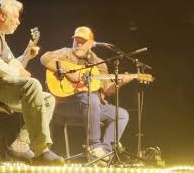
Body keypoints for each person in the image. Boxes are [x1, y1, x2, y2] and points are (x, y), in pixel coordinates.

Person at [0, 0, 64, 165]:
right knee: (33, 85)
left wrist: (26, 56)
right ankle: (41, 150)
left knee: (47, 99)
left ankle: (20, 145)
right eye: (16, 17)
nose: (18, 22)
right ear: (3, 16)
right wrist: (18, 71)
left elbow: (12, 66)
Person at [40, 26, 130, 161]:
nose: (79, 44)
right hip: (64, 104)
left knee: (122, 115)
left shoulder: (99, 63)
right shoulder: (65, 53)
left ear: (91, 44)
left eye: (83, 41)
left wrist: (120, 82)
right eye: (77, 41)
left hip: (92, 106)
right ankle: (94, 146)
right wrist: (71, 74)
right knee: (91, 98)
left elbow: (106, 89)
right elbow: (44, 58)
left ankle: (104, 154)